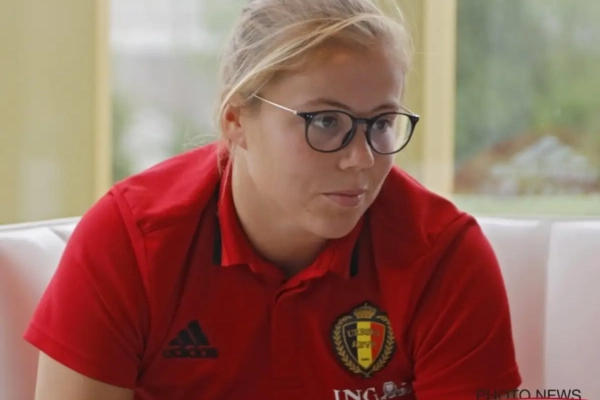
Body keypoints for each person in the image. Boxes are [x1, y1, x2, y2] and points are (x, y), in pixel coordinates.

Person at [24, 0, 522, 399]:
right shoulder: (131, 241)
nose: (362, 158)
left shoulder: (442, 256)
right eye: (325, 121)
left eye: (381, 123)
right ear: (236, 121)